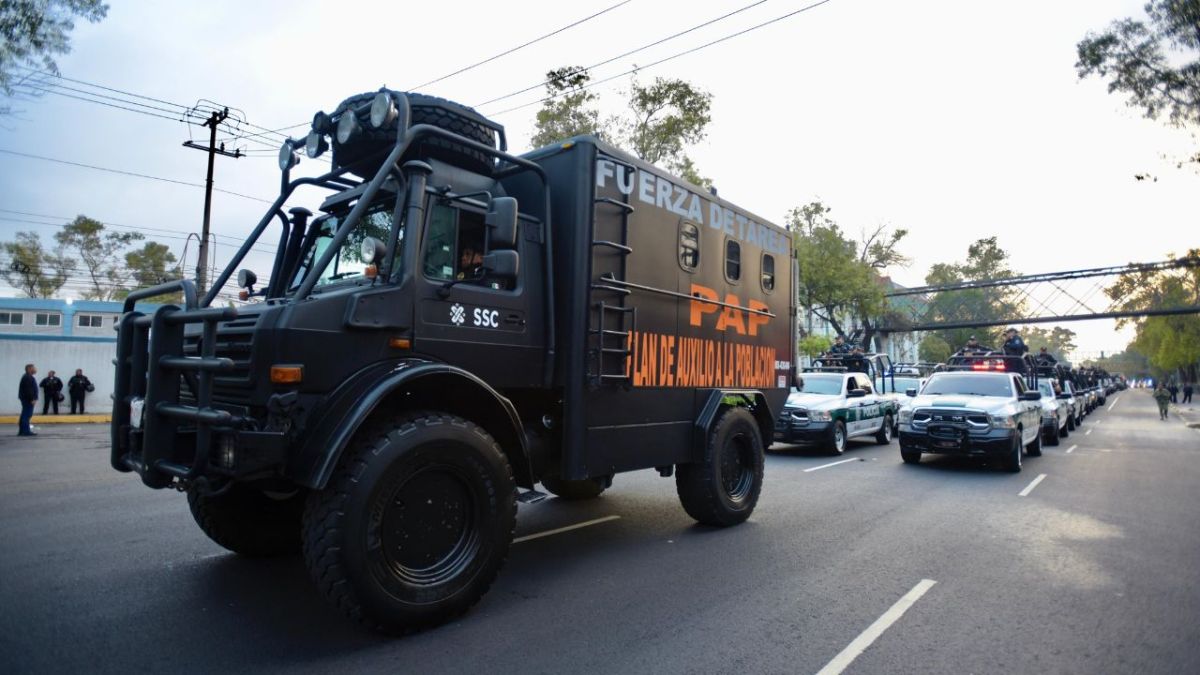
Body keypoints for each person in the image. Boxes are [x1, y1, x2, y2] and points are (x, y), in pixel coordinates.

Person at [18, 363, 38, 436]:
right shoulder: (28, 377)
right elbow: (29, 390)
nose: (35, 369)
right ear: (29, 369)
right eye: (34, 368)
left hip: (26, 399)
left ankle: (22, 431)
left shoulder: (28, 376)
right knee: (27, 415)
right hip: (28, 399)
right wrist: (32, 399)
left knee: (25, 415)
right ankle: (25, 431)